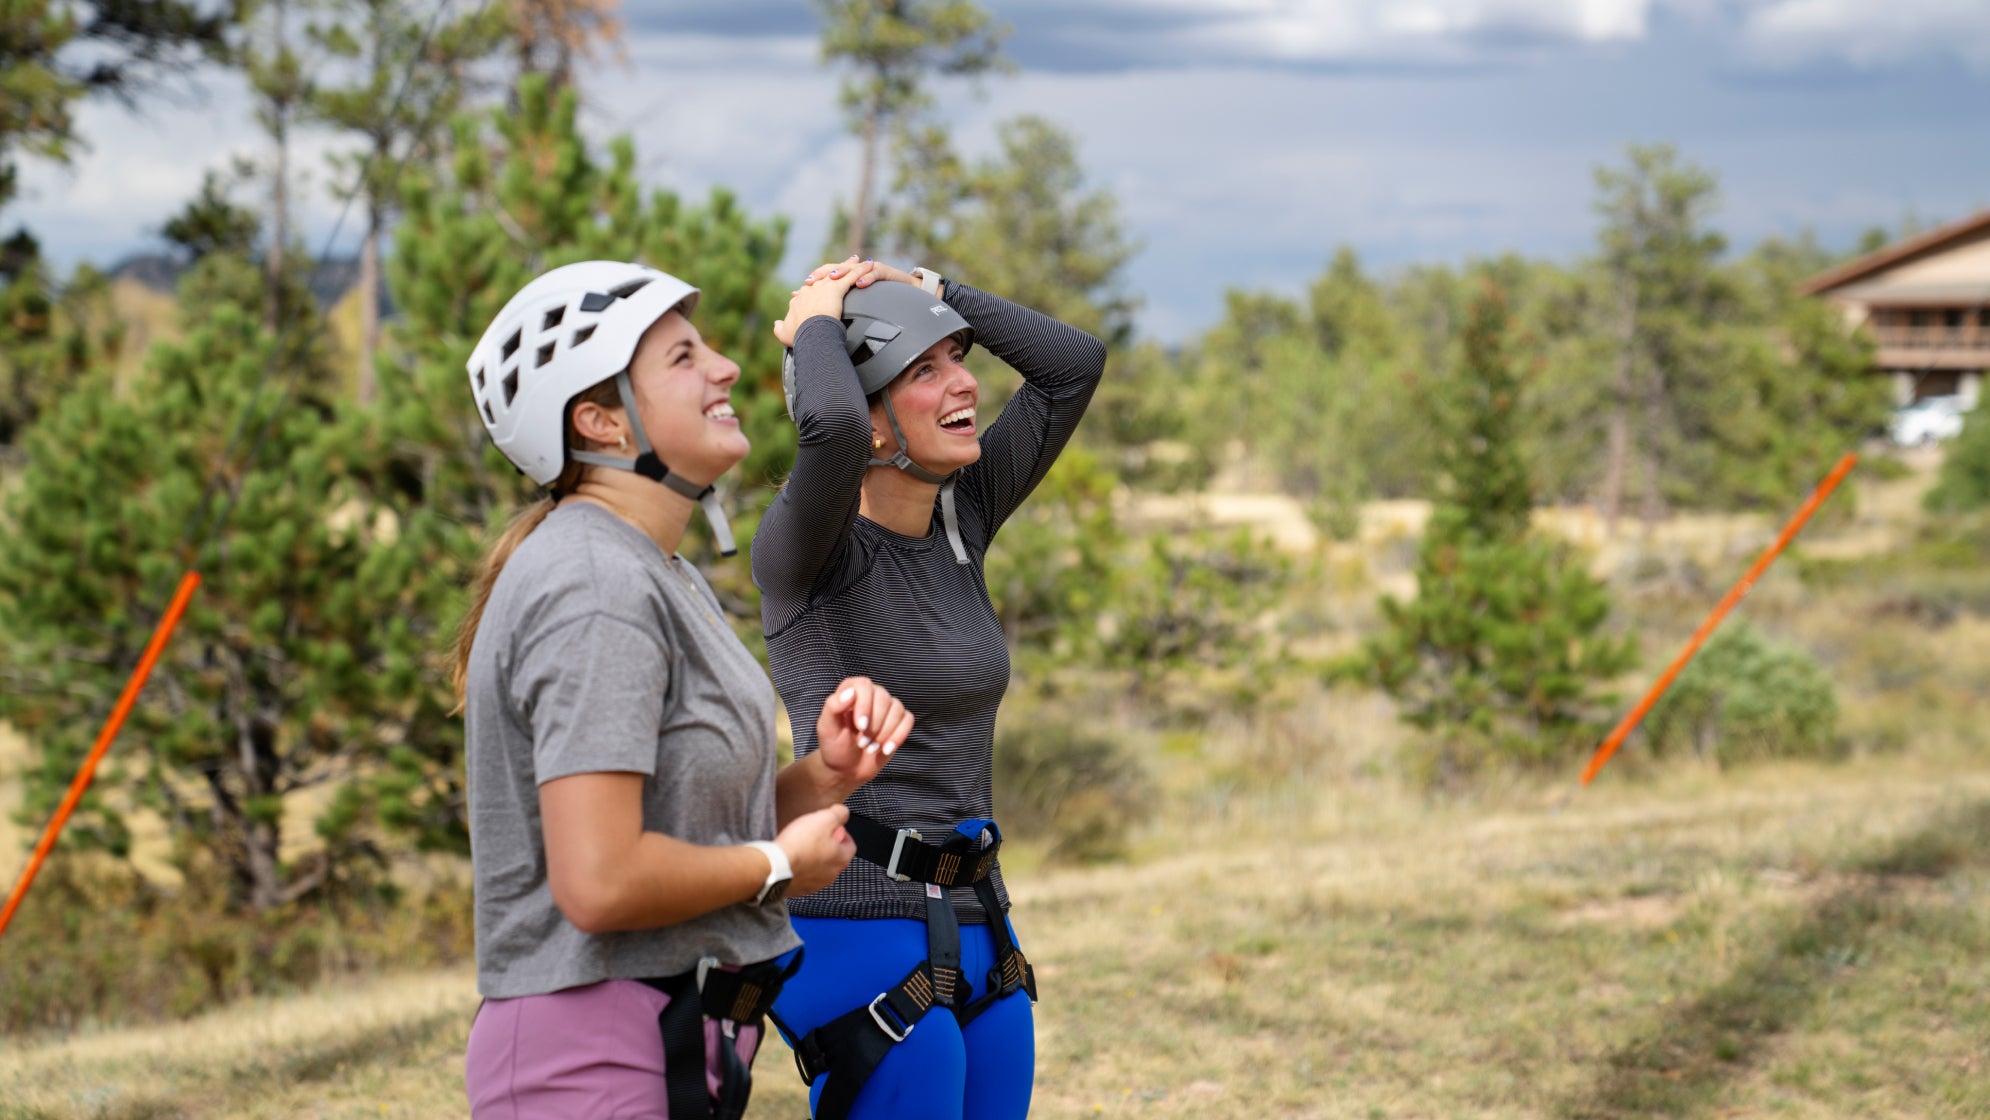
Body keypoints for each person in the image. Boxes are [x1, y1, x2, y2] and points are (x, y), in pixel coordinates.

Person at [455, 260, 914, 1120]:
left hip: (671, 1047)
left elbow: (687, 836)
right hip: (590, 1058)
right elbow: (599, 882)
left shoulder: (655, 572)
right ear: (597, 420)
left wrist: (825, 776)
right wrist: (779, 865)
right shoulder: (594, 583)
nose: (726, 367)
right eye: (680, 357)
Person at [753, 256, 1108, 1119]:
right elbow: (829, 428)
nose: (964, 384)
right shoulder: (806, 553)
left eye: (960, 360)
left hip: (979, 911)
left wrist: (939, 293)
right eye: (924, 371)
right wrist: (816, 319)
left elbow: (1075, 364)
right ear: (875, 425)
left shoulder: (964, 513)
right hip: (855, 917)